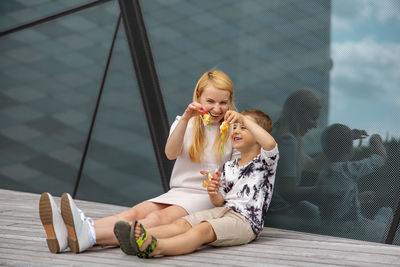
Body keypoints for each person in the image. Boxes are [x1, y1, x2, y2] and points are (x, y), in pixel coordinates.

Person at [39, 69, 240, 253]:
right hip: (179, 191)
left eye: (223, 103)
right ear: (198, 98)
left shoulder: (234, 131)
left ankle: (88, 235)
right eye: (211, 101)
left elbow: (237, 175)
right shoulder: (185, 122)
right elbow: (170, 153)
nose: (217, 108)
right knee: (134, 212)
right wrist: (187, 118)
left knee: (156, 219)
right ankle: (71, 234)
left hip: (207, 197)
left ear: (230, 102)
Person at [113, 109, 279, 258]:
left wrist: (242, 118)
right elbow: (219, 201)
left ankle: (156, 247)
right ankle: (138, 237)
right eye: (234, 127)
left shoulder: (265, 161)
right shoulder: (229, 166)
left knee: (202, 230)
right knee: (183, 223)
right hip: (223, 211)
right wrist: (213, 191)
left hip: (246, 222)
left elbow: (270, 143)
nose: (236, 130)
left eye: (243, 127)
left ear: (258, 136)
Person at [316, 123, 392, 242]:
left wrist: (357, 198)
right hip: (356, 231)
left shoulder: (325, 173)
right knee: (387, 212)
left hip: (330, 230)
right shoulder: (347, 169)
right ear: (349, 148)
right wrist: (375, 140)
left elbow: (335, 202)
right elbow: (380, 158)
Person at [266, 89, 326, 231]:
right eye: (313, 118)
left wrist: (340, 141)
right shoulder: (287, 140)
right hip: (277, 217)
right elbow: (289, 192)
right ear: (298, 113)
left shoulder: (278, 135)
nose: (315, 125)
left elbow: (314, 165)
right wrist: (324, 191)